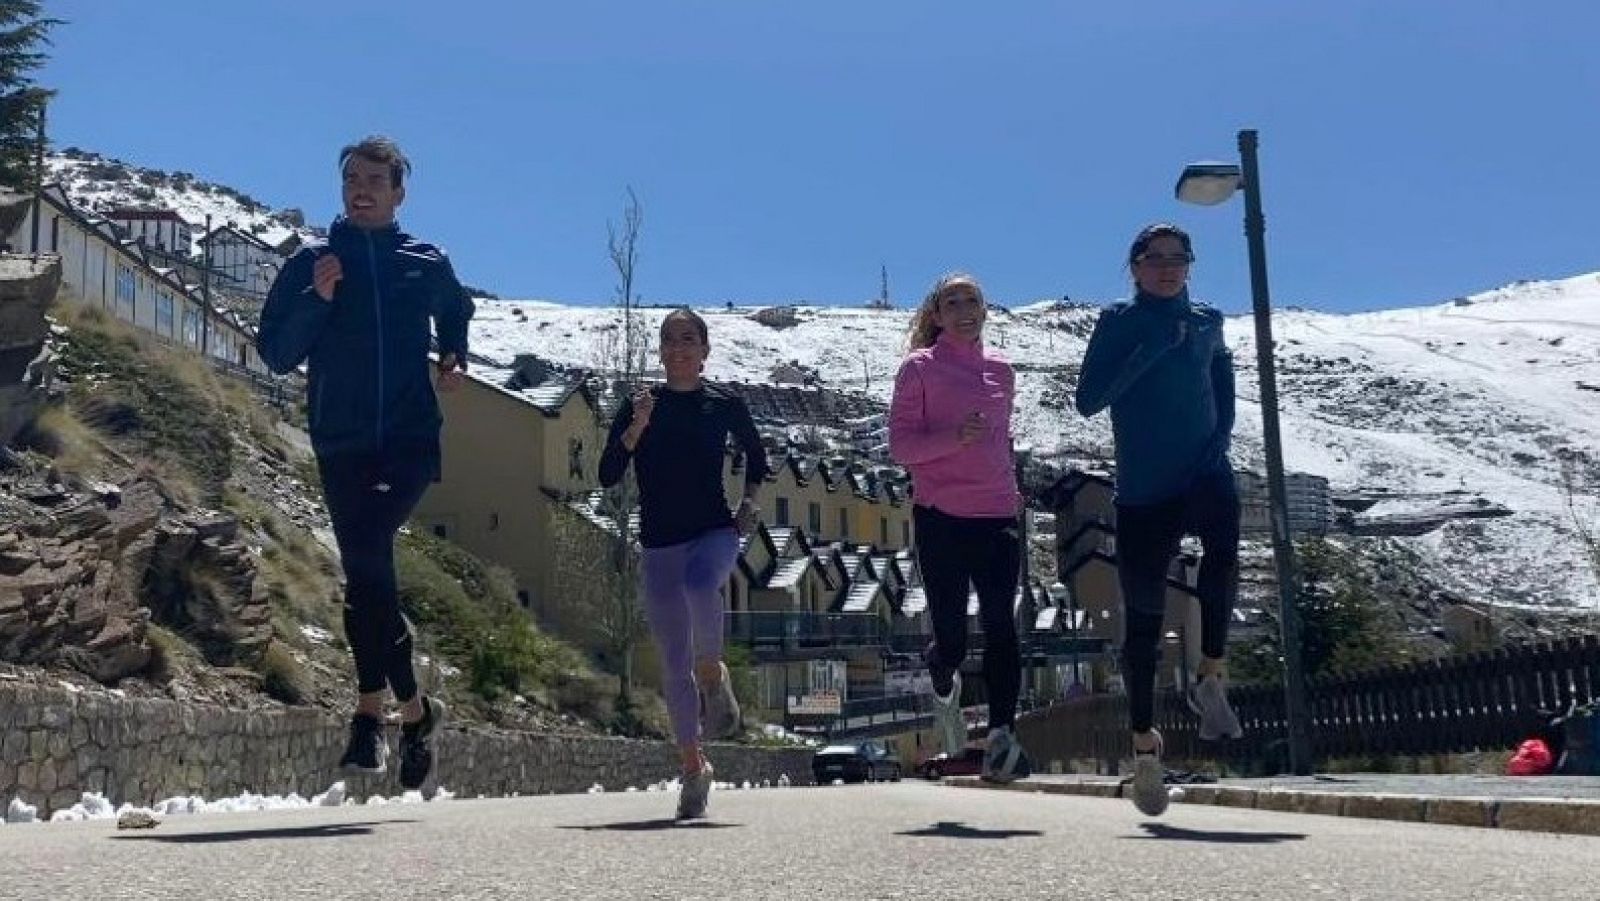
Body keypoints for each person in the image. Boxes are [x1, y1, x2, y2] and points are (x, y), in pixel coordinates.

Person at [257, 135, 474, 791]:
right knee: (368, 575)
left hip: (409, 438)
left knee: (370, 561)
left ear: (398, 191)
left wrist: (454, 352)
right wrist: (317, 301)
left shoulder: (423, 260)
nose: (362, 187)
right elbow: (274, 351)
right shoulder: (315, 262)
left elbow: (457, 307)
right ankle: (412, 714)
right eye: (352, 176)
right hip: (341, 439)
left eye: (375, 179)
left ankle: (368, 714)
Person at [1074, 222, 1243, 817]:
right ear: (1136, 266)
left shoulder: (1209, 321)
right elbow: (1088, 398)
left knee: (1224, 550)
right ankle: (1145, 747)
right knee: (1143, 624)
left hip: (1204, 470)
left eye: (1179, 257)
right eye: (1155, 258)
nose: (1168, 267)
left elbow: (1221, 377)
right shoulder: (1120, 322)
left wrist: (1220, 437)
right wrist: (1152, 351)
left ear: (1191, 264)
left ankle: (1211, 675)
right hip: (1145, 489)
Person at [599, 308, 768, 819]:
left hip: (715, 532)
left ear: (704, 349)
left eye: (688, 339)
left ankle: (713, 678)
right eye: (669, 339)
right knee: (672, 663)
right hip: (658, 544)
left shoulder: (724, 404)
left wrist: (749, 506)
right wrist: (636, 429)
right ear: (660, 350)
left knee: (702, 588)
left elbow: (757, 457)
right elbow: (608, 474)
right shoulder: (639, 405)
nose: (678, 347)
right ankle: (693, 769)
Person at [889, 272, 1032, 784]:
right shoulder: (919, 369)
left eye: (972, 300)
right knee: (951, 636)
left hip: (996, 515)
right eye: (953, 302)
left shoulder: (1002, 371)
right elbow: (901, 447)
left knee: (1001, 626)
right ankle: (942, 669)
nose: (965, 309)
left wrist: (1010, 486)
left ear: (985, 309)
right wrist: (953, 437)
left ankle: (1000, 735)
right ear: (937, 315)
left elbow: (1001, 440)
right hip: (941, 516)